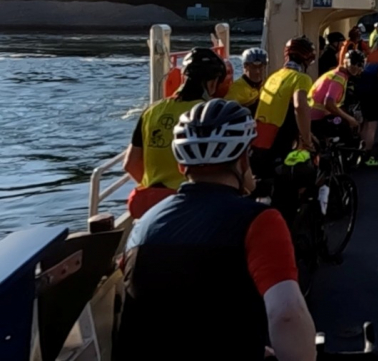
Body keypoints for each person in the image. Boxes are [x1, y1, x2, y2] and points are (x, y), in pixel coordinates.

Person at [113, 99, 317, 361]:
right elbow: (287, 314)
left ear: (181, 166)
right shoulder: (260, 221)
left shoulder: (143, 227)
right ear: (243, 160)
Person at [122, 48, 229, 218]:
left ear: (183, 76)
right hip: (186, 205)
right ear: (212, 83)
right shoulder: (209, 112)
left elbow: (130, 163)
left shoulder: (152, 110)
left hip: (147, 203)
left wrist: (156, 192)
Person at [251, 37, 317, 219]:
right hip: (279, 142)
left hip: (257, 141)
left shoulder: (273, 76)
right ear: (307, 59)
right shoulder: (301, 78)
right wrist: (307, 140)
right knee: (290, 191)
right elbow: (299, 106)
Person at [308, 49, 364, 138]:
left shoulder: (337, 74)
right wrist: (349, 119)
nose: (359, 68)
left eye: (360, 65)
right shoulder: (339, 78)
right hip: (315, 119)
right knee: (347, 133)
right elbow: (329, 104)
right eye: (357, 64)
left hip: (311, 116)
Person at [354, 48, 378, 167]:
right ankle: (368, 156)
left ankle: (359, 152)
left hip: (362, 88)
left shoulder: (371, 55)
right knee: (372, 125)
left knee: (365, 123)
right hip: (372, 91)